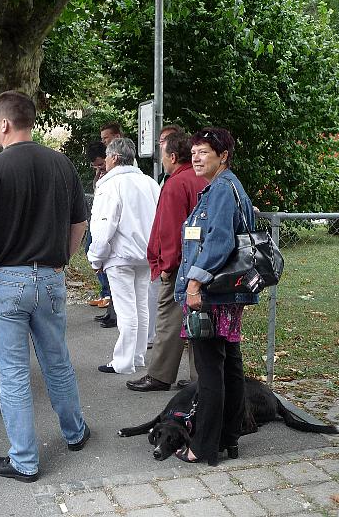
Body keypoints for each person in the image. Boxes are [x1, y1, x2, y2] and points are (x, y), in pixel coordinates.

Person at [0, 91, 90, 483]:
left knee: (14, 374)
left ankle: (25, 460)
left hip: (5, 278)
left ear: (3, 124)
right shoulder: (61, 164)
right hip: (50, 277)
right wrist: (60, 261)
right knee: (57, 361)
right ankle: (75, 432)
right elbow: (78, 225)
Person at [174, 127, 259, 466]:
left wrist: (194, 284)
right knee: (229, 366)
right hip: (225, 293)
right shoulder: (224, 187)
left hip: (211, 295)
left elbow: (219, 242)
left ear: (222, 156)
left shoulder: (223, 190)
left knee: (210, 371)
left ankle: (205, 445)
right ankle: (229, 438)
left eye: (204, 151)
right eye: (194, 150)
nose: (196, 156)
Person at [127, 132, 205, 392]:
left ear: (172, 156)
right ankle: (200, 378)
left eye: (163, 154)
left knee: (168, 321)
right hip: (202, 263)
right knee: (199, 320)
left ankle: (160, 375)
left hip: (179, 265)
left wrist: (165, 267)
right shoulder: (202, 179)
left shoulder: (175, 183)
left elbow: (170, 230)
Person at [87, 138, 160, 375]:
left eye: (107, 156)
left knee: (126, 310)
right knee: (141, 307)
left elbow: (103, 226)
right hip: (146, 253)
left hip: (120, 255)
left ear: (115, 158)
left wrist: (95, 258)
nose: (104, 161)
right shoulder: (149, 183)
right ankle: (137, 356)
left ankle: (123, 362)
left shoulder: (110, 185)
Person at [84, 142, 114, 316]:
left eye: (101, 164)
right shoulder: (101, 175)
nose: (99, 168)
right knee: (90, 250)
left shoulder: (115, 175)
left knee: (102, 256)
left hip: (106, 221)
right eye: (95, 166)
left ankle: (109, 294)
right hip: (96, 220)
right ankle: (105, 292)